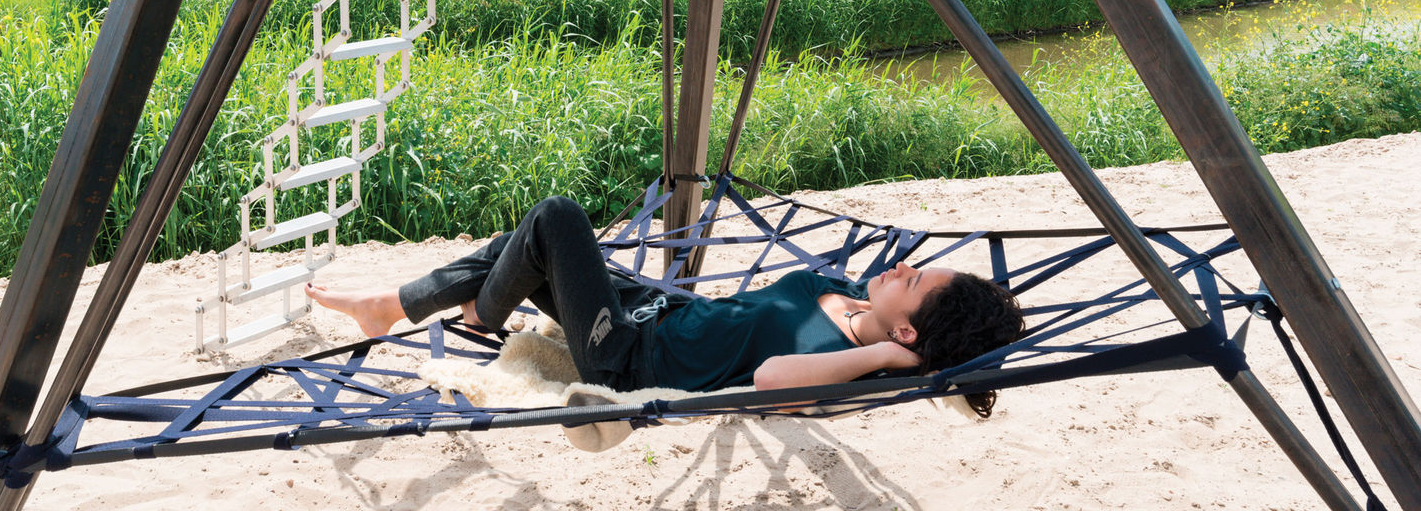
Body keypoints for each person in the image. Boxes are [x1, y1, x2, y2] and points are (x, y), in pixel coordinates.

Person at [306, 194, 1023, 442]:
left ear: (907, 334)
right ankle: (400, 306)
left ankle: (478, 313)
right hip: (652, 311)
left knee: (555, 220)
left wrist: (888, 362)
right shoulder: (846, 289)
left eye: (915, 279)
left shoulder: (843, 363)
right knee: (525, 246)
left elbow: (772, 378)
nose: (901, 264)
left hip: (625, 357)